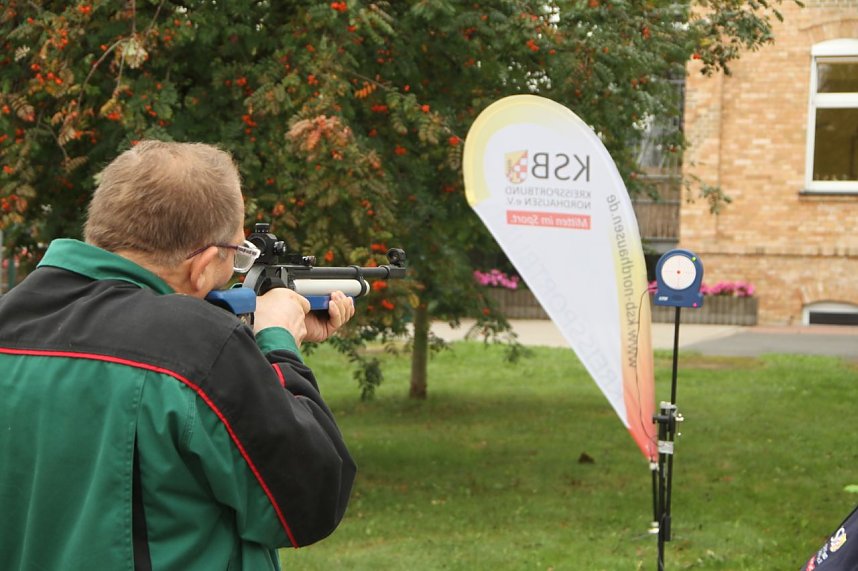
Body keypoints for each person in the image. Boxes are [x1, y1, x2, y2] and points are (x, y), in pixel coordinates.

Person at [0, 141, 357, 570]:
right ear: (204, 264)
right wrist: (279, 343)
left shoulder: (13, 317)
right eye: (239, 253)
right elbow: (311, 498)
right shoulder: (201, 345)